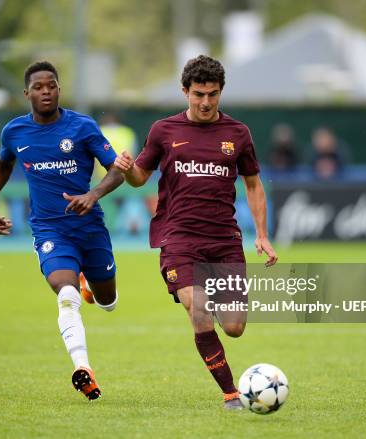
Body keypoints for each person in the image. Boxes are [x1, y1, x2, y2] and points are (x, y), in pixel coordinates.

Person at [113, 55, 277, 410]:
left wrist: (262, 234)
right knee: (199, 308)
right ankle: (231, 393)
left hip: (224, 239)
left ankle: (209, 311)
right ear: (185, 91)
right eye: (199, 94)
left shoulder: (238, 134)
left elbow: (253, 184)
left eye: (213, 95)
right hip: (179, 238)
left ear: (221, 92)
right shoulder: (163, 131)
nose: (205, 102)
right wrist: (126, 170)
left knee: (234, 326)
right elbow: (140, 176)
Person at [0, 61, 124, 401]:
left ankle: (91, 285)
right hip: (49, 231)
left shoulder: (83, 127)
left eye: (52, 85)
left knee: (108, 302)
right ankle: (83, 368)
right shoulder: (14, 132)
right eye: (39, 87)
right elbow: (3, 164)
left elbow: (116, 171)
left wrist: (93, 194)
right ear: (27, 93)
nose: (46, 91)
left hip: (90, 228)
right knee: (66, 295)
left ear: (59, 88)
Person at [94, 111, 137, 181]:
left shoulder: (100, 131)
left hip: (103, 175)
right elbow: (134, 154)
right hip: (124, 173)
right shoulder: (127, 132)